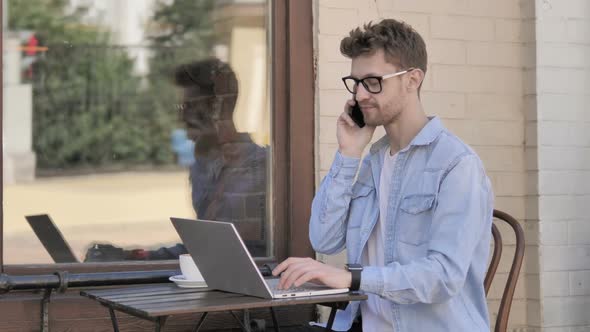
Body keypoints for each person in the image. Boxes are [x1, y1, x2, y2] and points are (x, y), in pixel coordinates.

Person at [272, 19, 493, 331]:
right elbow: (324, 238)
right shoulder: (373, 161)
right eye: (356, 82)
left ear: (412, 79)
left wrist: (354, 278)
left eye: (373, 81)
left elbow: (443, 276)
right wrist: (348, 154)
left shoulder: (456, 164)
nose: (361, 95)